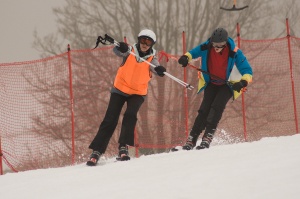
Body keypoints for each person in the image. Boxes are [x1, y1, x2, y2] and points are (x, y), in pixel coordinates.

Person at [87, 29, 166, 166]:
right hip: (120, 89)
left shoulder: (152, 57)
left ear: (152, 44)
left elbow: (155, 67)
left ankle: (123, 147)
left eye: (148, 42)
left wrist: (160, 70)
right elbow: (118, 51)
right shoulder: (130, 50)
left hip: (138, 93)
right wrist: (120, 47)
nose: (145, 44)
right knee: (110, 118)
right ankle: (97, 151)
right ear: (138, 40)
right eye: (143, 40)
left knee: (130, 115)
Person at [177, 27, 253, 150]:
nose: (217, 47)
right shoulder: (206, 46)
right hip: (211, 82)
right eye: (215, 44)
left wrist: (243, 82)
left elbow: (247, 70)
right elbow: (193, 53)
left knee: (216, 107)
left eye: (220, 45)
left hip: (228, 85)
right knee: (204, 110)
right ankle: (192, 138)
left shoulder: (235, 52)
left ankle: (207, 137)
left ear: (225, 43)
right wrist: (186, 57)